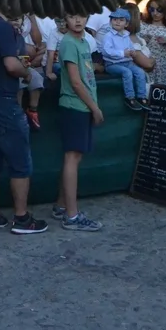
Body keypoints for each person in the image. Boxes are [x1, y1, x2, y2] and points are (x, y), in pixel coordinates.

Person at [0, 11, 48, 234]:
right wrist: (26, 74)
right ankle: (21, 218)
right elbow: (11, 65)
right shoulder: (3, 27)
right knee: (20, 161)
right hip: (4, 101)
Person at [53, 13, 104, 232]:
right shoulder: (68, 42)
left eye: (82, 16)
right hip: (75, 106)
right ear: (66, 19)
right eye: (73, 16)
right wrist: (94, 107)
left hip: (82, 106)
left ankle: (61, 205)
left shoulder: (83, 41)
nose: (78, 21)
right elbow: (75, 81)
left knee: (75, 157)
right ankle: (71, 216)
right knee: (72, 158)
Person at [101, 8, 150, 110]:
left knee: (140, 72)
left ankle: (141, 97)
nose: (117, 22)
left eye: (121, 20)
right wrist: (122, 53)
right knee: (127, 72)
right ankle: (129, 98)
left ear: (126, 24)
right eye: (114, 19)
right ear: (110, 22)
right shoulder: (108, 36)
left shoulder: (126, 35)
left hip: (127, 62)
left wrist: (132, 52)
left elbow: (130, 47)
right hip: (112, 64)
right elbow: (106, 51)